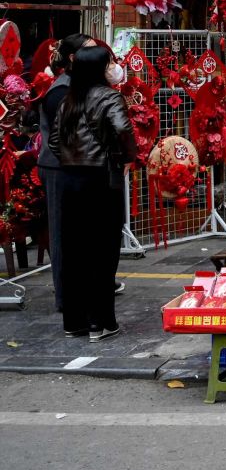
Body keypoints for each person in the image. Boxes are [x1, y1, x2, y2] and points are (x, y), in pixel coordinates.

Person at [49, 45, 137, 341]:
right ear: (99, 68)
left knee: (74, 250)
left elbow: (53, 141)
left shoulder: (68, 99)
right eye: (109, 63)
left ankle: (75, 322)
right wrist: (126, 157)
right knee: (102, 250)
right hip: (100, 180)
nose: (113, 66)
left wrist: (71, 159)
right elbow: (123, 130)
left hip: (70, 181)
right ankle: (101, 322)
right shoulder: (110, 96)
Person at [34, 33, 93, 313]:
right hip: (61, 169)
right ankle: (67, 298)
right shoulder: (60, 91)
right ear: (73, 58)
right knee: (63, 234)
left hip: (81, 167)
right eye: (91, 51)